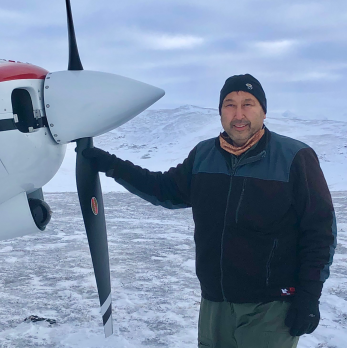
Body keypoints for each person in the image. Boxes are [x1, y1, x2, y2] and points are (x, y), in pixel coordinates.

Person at [82, 74, 337, 348]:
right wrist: (112, 165)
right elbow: (164, 189)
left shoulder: (294, 157)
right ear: (220, 112)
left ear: (263, 110)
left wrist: (309, 297)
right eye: (229, 105)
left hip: (271, 305)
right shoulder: (204, 155)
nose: (238, 114)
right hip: (215, 303)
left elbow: (319, 231)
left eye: (248, 104)